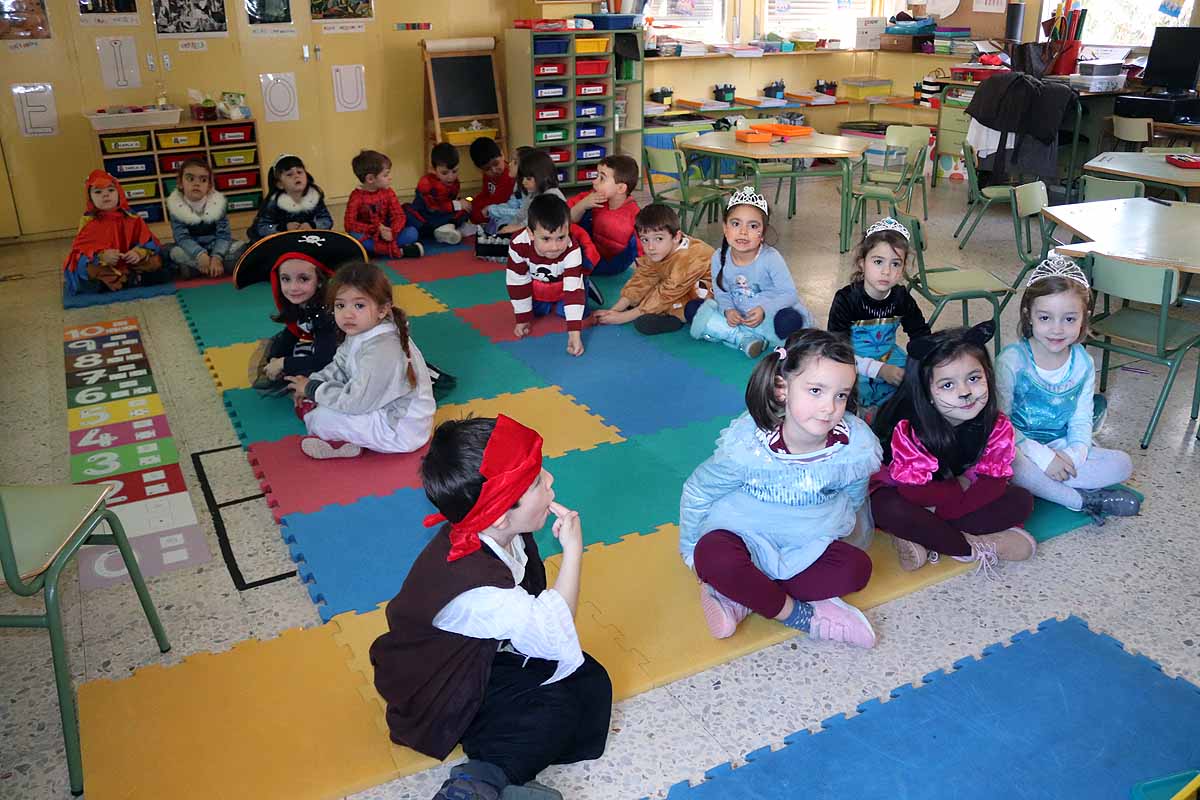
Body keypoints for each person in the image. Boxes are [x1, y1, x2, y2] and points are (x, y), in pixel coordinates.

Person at [370, 415, 611, 800]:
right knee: (556, 703)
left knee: (588, 681)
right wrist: (573, 553)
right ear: (499, 512)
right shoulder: (478, 589)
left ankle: (501, 777)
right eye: (535, 481)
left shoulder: (496, 530)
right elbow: (555, 632)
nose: (550, 481)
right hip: (439, 690)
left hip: (477, 657)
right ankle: (477, 782)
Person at [679, 329, 881, 647]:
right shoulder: (750, 447)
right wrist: (691, 552)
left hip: (806, 542)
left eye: (840, 395)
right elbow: (698, 490)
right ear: (782, 389)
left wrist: (842, 539)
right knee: (711, 557)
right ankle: (798, 613)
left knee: (858, 570)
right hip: (744, 534)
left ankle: (743, 595)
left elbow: (855, 497)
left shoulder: (854, 445)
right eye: (816, 390)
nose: (829, 407)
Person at [870, 321, 1036, 575]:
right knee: (885, 506)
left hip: (947, 500)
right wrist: (960, 488)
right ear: (927, 393)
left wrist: (944, 510)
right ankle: (970, 547)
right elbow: (913, 493)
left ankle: (925, 536)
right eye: (947, 385)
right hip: (908, 492)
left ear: (988, 376)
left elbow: (994, 482)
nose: (965, 393)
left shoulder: (997, 425)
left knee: (1022, 501)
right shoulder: (909, 429)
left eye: (974, 378)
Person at [996, 256, 1141, 522]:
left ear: (1084, 318)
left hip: (1060, 443)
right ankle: (1080, 499)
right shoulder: (1012, 360)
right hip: (1019, 446)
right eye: (1045, 317)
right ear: (1029, 315)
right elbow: (999, 422)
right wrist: (1043, 457)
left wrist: (1072, 455)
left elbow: (1081, 418)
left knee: (1122, 464)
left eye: (1069, 319)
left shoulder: (1083, 363)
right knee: (1015, 466)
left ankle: (1047, 486)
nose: (1057, 329)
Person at [286, 262, 436, 459]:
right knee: (319, 404)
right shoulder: (361, 329)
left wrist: (313, 389)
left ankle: (338, 443)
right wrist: (314, 382)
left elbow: (357, 402)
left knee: (320, 419)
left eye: (359, 305)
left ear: (382, 310)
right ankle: (345, 439)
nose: (348, 314)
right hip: (377, 406)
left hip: (400, 430)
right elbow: (340, 365)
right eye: (340, 305)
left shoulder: (383, 349)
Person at [232, 230, 367, 396]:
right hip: (325, 346)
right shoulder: (303, 303)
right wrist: (275, 358)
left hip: (350, 355)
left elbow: (324, 360)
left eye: (303, 279)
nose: (293, 288)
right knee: (280, 346)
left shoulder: (327, 313)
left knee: (312, 376)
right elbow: (291, 331)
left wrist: (284, 363)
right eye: (286, 279)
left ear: (319, 281)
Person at [689, 187, 812, 358]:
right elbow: (721, 292)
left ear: (762, 233)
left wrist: (764, 309)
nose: (743, 232)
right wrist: (728, 310)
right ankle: (743, 338)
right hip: (738, 316)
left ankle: (739, 335)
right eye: (735, 224)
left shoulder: (770, 258)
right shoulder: (719, 256)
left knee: (790, 320)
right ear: (725, 228)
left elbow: (790, 294)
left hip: (768, 316)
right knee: (693, 309)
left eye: (753, 226)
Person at [827, 217, 930, 415]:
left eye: (895, 264)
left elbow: (920, 334)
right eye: (878, 262)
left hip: (890, 357)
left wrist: (922, 364)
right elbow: (836, 351)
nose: (886, 271)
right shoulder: (846, 299)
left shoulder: (901, 298)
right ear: (862, 264)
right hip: (852, 363)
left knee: (921, 387)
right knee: (843, 392)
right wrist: (880, 370)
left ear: (902, 269)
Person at [593, 203, 714, 335]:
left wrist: (623, 317)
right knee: (649, 289)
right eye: (645, 240)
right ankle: (660, 310)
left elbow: (667, 294)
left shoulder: (690, 257)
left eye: (658, 238)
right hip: (676, 287)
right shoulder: (661, 249)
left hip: (709, 293)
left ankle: (675, 317)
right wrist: (615, 310)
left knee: (691, 304)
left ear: (676, 237)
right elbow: (643, 277)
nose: (650, 247)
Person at [506, 194, 590, 358]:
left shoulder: (572, 249)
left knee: (575, 312)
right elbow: (517, 283)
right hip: (540, 285)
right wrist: (522, 318)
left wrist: (574, 333)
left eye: (561, 238)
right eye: (546, 239)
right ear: (531, 233)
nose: (554, 247)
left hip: (566, 283)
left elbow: (573, 290)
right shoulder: (518, 245)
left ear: (568, 230)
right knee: (535, 313)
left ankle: (587, 282)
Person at [63, 169, 165, 295]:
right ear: (90, 198)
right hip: (105, 265)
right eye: (98, 192)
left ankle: (127, 278)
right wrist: (101, 256)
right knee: (88, 269)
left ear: (119, 193)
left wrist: (139, 252)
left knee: (156, 260)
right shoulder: (89, 222)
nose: (105, 195)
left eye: (110, 190)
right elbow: (80, 252)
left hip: (129, 262)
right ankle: (124, 279)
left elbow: (149, 242)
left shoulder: (131, 217)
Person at [165, 159, 246, 278]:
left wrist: (217, 257)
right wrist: (200, 254)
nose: (196, 184)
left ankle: (203, 268)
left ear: (209, 186)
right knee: (173, 252)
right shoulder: (176, 207)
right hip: (191, 250)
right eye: (190, 179)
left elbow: (224, 235)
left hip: (215, 246)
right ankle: (208, 266)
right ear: (180, 183)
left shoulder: (217, 205)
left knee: (241, 247)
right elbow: (182, 238)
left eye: (203, 180)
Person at [476, 148, 561, 261]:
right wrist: (511, 227)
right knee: (506, 229)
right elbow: (521, 214)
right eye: (523, 178)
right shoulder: (531, 192)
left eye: (528, 178)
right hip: (533, 230)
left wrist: (518, 227)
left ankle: (504, 248)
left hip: (549, 236)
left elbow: (538, 220)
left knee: (525, 243)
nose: (524, 181)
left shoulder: (551, 195)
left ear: (541, 177)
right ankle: (498, 245)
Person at [567, 154, 641, 278]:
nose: (594, 181)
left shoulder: (633, 214)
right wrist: (583, 205)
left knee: (639, 233)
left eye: (602, 178)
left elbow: (644, 253)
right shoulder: (593, 196)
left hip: (613, 264)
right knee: (568, 221)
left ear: (621, 188)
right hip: (592, 251)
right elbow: (566, 218)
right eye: (596, 176)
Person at [343, 149, 422, 259]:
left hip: (388, 234)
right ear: (370, 179)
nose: (390, 178)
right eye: (385, 175)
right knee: (353, 237)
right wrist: (377, 229)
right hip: (369, 234)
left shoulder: (388, 192)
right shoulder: (356, 197)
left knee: (412, 233)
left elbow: (399, 215)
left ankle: (376, 251)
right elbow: (349, 224)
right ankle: (398, 251)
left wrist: (392, 232)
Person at [248, 154, 334, 242]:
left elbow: (326, 220)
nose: (296, 176)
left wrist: (313, 225)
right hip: (281, 241)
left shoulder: (314, 197)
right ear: (280, 184)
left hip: (308, 239)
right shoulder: (274, 202)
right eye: (289, 174)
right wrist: (283, 227)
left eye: (300, 172)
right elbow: (262, 227)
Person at [405, 141, 475, 245]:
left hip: (444, 215)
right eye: (444, 173)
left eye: (455, 171)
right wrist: (456, 205)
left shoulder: (455, 182)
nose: (451, 177)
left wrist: (462, 203)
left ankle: (448, 228)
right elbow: (432, 207)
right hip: (426, 218)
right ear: (433, 169)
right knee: (406, 210)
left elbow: (450, 201)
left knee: (468, 207)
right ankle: (449, 228)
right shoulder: (426, 183)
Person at [468, 136, 516, 228]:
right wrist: (471, 205)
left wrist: (475, 211)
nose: (494, 170)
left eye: (496, 163)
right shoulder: (488, 175)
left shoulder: (509, 176)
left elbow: (497, 203)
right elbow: (485, 194)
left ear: (502, 154)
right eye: (487, 169)